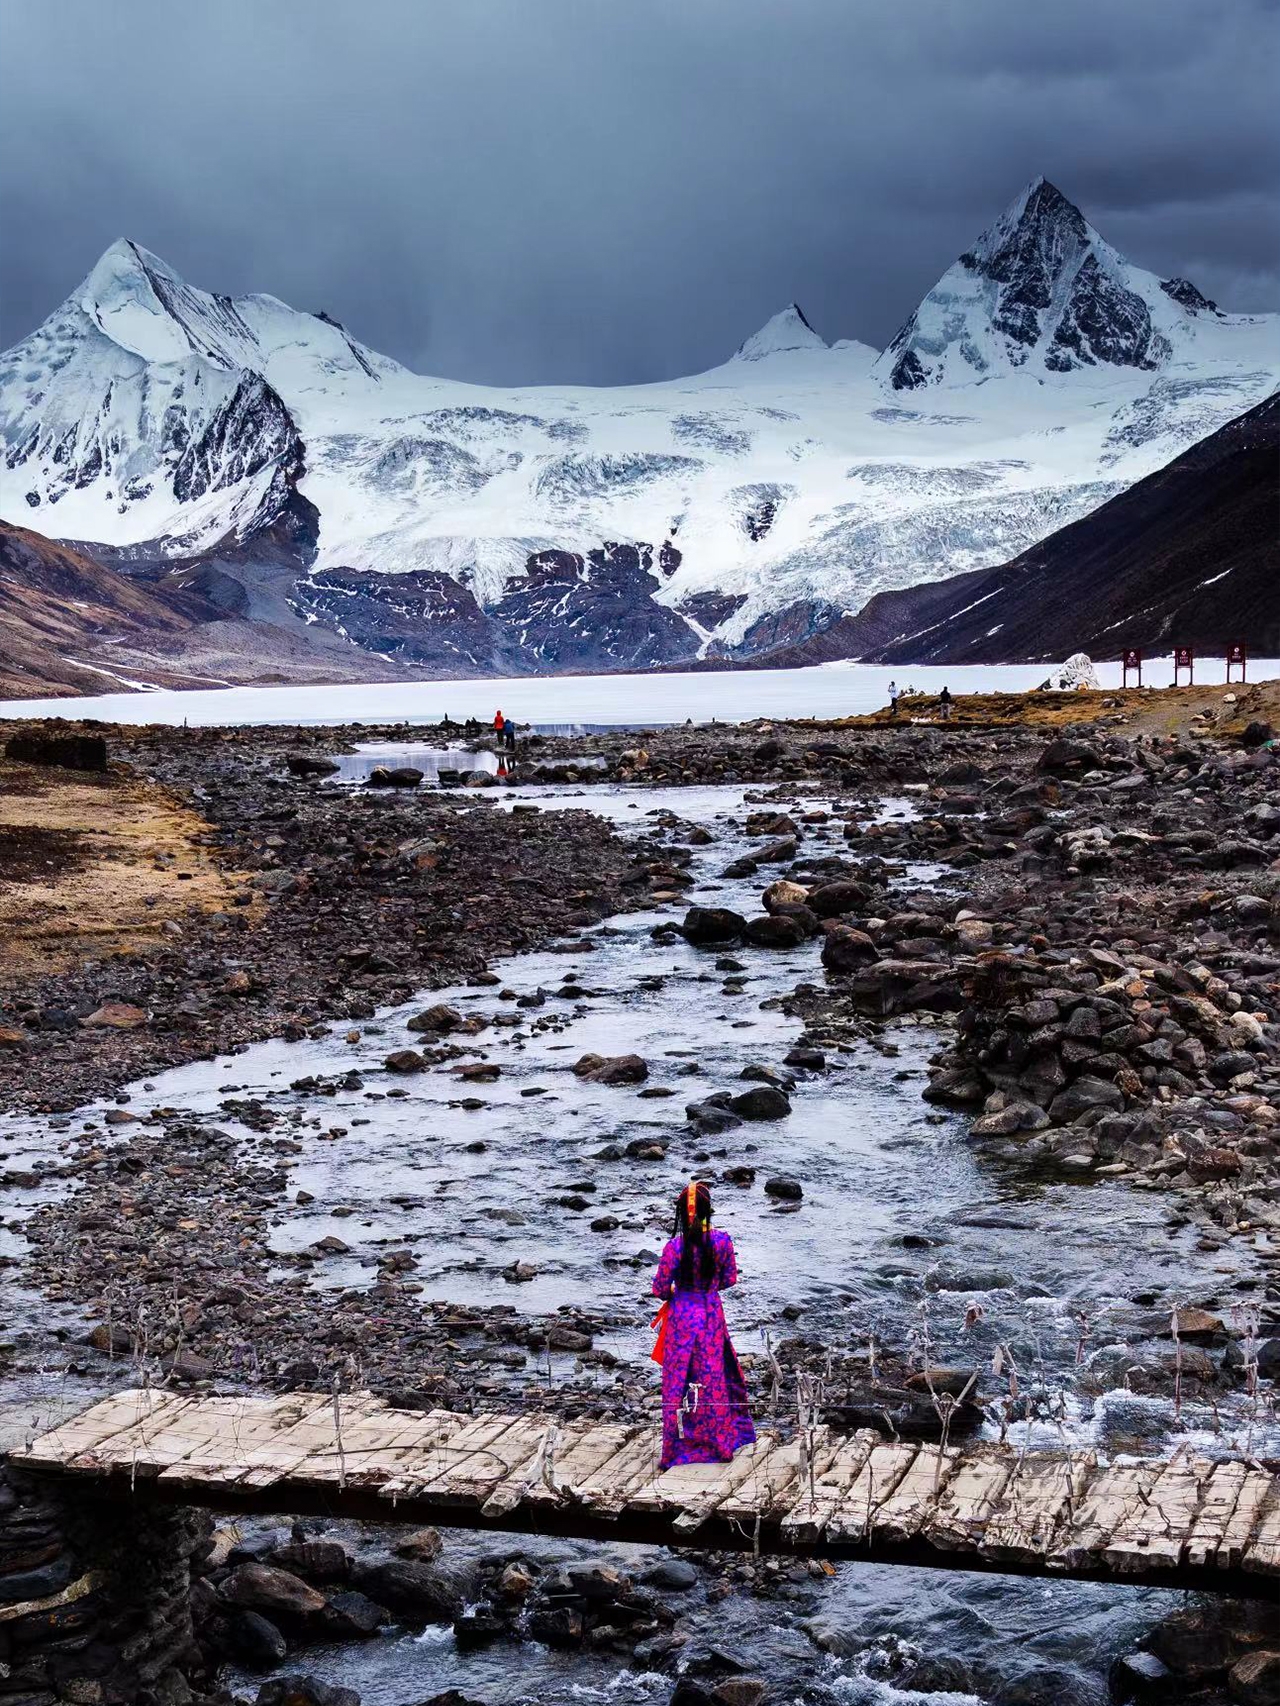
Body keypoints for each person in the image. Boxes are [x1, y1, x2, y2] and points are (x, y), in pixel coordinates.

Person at [650, 1181, 755, 1471]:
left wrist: (677, 1294)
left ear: (681, 1214)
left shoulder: (674, 1247)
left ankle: (673, 1449)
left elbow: (659, 1288)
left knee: (676, 1381)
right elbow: (730, 1280)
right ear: (710, 1211)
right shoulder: (722, 1242)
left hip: (682, 1316)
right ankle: (720, 1443)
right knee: (713, 1379)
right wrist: (708, 1288)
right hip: (710, 1313)